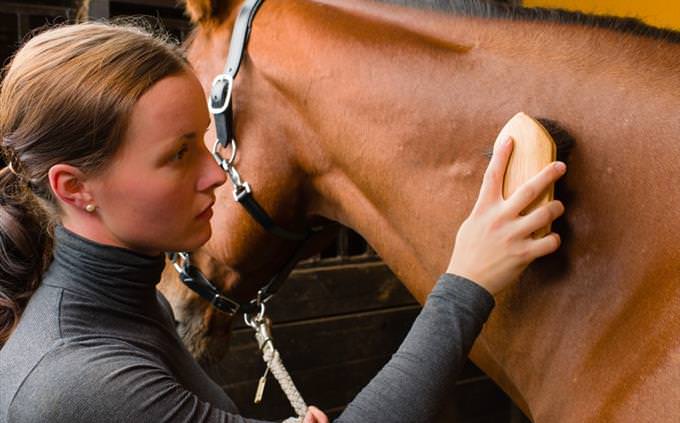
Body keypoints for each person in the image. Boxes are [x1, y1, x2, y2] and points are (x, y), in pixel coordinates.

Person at [0, 22, 565, 423]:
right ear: (75, 188)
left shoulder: (126, 305)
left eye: (205, 142)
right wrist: (466, 283)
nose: (217, 175)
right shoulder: (75, 377)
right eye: (177, 155)